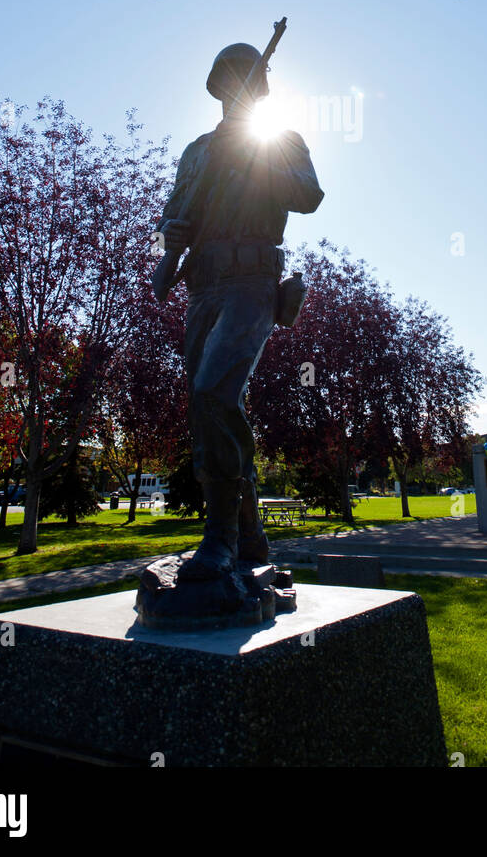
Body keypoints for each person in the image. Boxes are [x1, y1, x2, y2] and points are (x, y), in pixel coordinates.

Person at [156, 41, 323, 582]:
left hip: (252, 282)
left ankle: (220, 540)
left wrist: (256, 155)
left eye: (245, 78)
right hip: (202, 285)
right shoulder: (197, 150)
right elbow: (177, 211)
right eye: (228, 77)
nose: (237, 87)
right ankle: (251, 544)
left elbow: (306, 196)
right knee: (210, 412)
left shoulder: (281, 140)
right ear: (218, 86)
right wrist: (171, 236)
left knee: (213, 394)